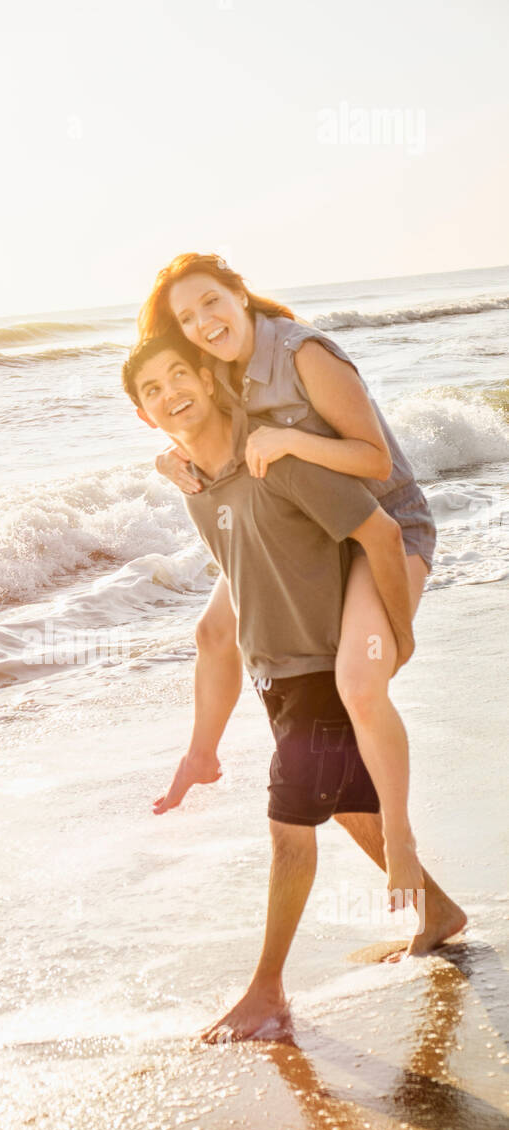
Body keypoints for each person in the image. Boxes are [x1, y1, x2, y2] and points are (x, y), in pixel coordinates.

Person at [121, 334, 465, 1041]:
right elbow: (226, 615)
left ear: (212, 381)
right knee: (337, 802)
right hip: (274, 667)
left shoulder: (276, 460)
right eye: (150, 390)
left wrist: (394, 638)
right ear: (142, 415)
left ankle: (268, 989)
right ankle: (437, 911)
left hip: (321, 661)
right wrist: (200, 750)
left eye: (178, 375)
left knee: (289, 832)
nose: (168, 394)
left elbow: (379, 530)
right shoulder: (197, 485)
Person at [139, 253, 436, 911]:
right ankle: (202, 757)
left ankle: (403, 839)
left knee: (358, 684)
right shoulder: (220, 368)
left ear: (239, 295)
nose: (203, 322)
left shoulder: (304, 354)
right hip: (307, 526)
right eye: (187, 318)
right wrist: (169, 456)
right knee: (213, 629)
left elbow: (375, 459)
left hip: (385, 523)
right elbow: (191, 417)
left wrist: (289, 440)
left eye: (211, 302)